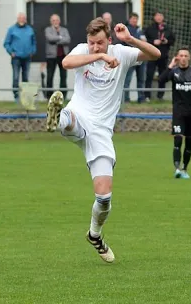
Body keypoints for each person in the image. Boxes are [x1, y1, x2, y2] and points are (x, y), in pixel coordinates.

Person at [45, 18, 161, 263]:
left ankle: (94, 234)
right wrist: (98, 57)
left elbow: (155, 54)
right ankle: (58, 117)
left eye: (100, 43)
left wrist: (130, 39)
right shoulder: (84, 51)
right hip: (79, 115)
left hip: (101, 133)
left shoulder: (122, 52)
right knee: (70, 121)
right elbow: (66, 62)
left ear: (110, 40)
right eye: (91, 43)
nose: (95, 47)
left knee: (104, 198)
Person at [158, 48, 191, 179]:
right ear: (177, 57)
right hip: (178, 112)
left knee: (189, 142)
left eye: (185, 55)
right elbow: (161, 80)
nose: (183, 58)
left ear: (189, 57)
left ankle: (184, 169)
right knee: (177, 138)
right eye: (180, 55)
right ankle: (177, 168)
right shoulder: (173, 72)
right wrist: (170, 66)